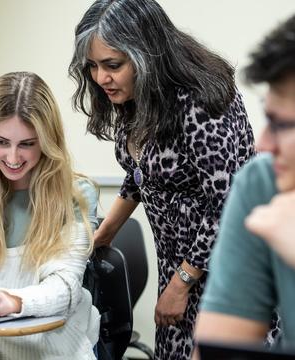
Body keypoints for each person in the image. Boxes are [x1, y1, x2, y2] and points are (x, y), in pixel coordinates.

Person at [68, 0, 255, 358]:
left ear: (146, 55)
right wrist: (103, 234)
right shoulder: (139, 96)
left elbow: (227, 206)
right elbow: (142, 174)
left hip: (223, 275)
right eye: (92, 66)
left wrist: (182, 283)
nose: (100, 78)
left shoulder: (200, 101)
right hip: (179, 269)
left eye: (112, 65)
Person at [0, 71, 100, 360]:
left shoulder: (76, 194)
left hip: (56, 346)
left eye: (27, 144)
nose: (13, 158)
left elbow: (65, 289)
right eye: (1, 142)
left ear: (47, 141)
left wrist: (13, 300)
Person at [194, 14, 295, 356]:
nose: (262, 145)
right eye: (268, 119)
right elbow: (219, 350)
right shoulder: (263, 184)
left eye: (281, 125)